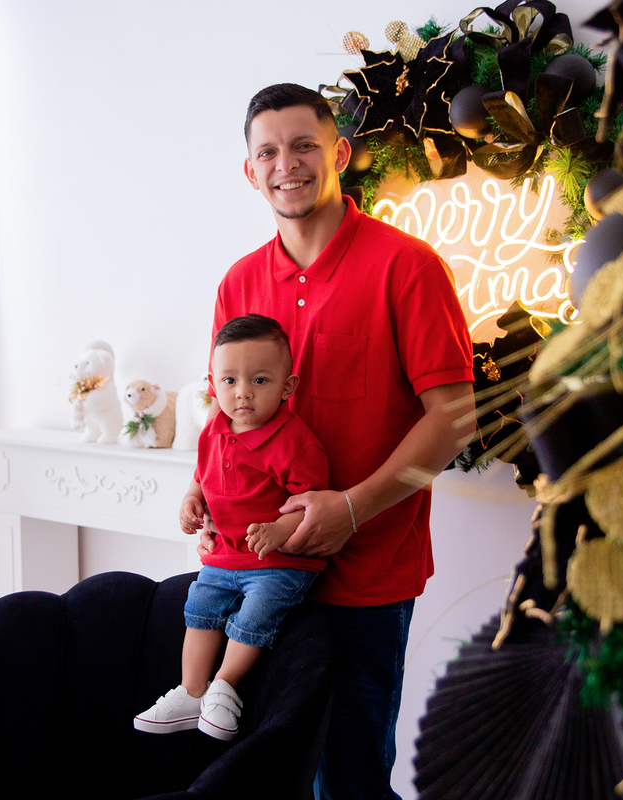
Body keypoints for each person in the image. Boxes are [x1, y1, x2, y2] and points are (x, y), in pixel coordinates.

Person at [205, 83, 476, 799]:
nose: (286, 164)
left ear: (340, 153)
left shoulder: (407, 266)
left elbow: (454, 417)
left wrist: (352, 508)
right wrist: (202, 494)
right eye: (268, 152)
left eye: (304, 146)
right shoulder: (238, 284)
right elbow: (227, 419)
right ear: (250, 170)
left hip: (365, 581)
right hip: (253, 575)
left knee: (349, 782)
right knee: (264, 777)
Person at [133, 313, 329, 742]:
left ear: (287, 387)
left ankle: (224, 685)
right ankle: (191, 691)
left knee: (256, 612)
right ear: (213, 384)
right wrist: (192, 499)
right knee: (200, 605)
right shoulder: (214, 431)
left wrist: (280, 530)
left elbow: (312, 505)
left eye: (259, 380)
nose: (243, 392)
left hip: (276, 561)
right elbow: (202, 476)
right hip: (224, 555)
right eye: (229, 380)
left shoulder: (295, 443)